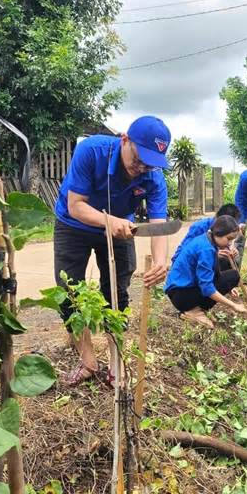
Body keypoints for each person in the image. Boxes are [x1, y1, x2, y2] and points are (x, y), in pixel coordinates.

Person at [53, 115, 171, 385]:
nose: (142, 167)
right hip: (74, 224)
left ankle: (117, 364)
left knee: (116, 293)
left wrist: (161, 261)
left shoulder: (153, 177)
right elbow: (76, 206)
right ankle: (88, 362)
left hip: (120, 229)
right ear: (125, 140)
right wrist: (109, 221)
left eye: (151, 163)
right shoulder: (91, 151)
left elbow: (159, 224)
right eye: (139, 159)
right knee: (68, 290)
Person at [165, 215, 247, 328]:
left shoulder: (206, 238)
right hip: (182, 295)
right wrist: (234, 305)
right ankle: (192, 310)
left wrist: (229, 288)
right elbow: (207, 288)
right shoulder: (206, 249)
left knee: (229, 272)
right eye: (228, 239)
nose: (230, 243)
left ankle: (195, 307)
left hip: (180, 289)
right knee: (232, 276)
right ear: (218, 233)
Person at [170, 203, 242, 268]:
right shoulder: (199, 227)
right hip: (185, 267)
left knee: (231, 262)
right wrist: (214, 255)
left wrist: (232, 250)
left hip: (203, 262)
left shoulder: (223, 232)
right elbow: (186, 254)